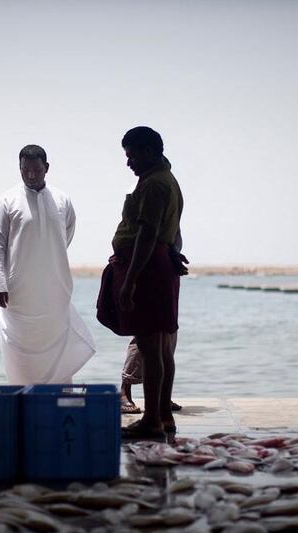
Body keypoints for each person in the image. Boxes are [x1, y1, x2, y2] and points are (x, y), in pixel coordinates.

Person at [97, 126, 184, 438]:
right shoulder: (165, 180)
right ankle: (163, 417)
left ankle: (152, 419)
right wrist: (174, 252)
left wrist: (130, 281)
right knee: (160, 347)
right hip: (159, 265)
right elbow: (173, 231)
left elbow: (147, 235)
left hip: (147, 269)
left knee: (150, 346)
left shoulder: (155, 186)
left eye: (132, 155)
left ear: (150, 151)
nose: (129, 162)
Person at [0, 144, 96, 384]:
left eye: (36, 169)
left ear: (46, 168)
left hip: (54, 287)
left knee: (57, 340)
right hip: (17, 291)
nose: (31, 175)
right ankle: (23, 394)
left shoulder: (62, 199)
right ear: (20, 169)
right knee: (19, 345)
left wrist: (47, 259)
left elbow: (65, 235)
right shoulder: (6, 201)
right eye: (25, 170)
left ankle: (58, 395)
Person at [120, 226, 188, 415]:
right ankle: (125, 390)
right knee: (146, 334)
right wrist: (131, 278)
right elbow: (144, 235)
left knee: (167, 333)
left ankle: (161, 398)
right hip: (148, 267)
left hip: (166, 266)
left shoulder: (172, 197)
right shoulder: (150, 196)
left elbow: (175, 233)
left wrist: (173, 254)